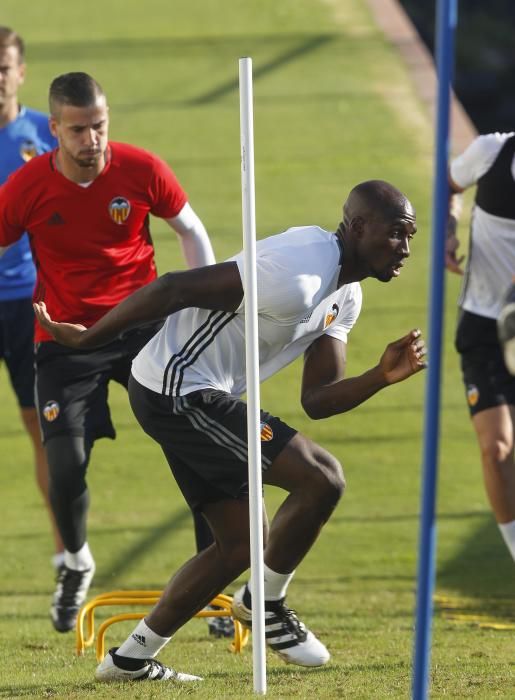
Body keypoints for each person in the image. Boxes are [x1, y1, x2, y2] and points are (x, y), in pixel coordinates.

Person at [34, 179, 427, 683]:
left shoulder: (345, 296)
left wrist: (378, 377)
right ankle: (265, 604)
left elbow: (318, 400)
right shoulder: (299, 270)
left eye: (410, 237)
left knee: (241, 547)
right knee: (322, 477)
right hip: (175, 388)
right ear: (358, 227)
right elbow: (174, 287)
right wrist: (90, 337)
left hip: (193, 391)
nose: (405, 249)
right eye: (396, 234)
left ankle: (130, 660)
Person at [0, 71, 220, 635]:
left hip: (144, 326)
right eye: (77, 130)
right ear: (54, 130)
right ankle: (75, 561)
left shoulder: (142, 169)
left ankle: (219, 580)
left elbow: (189, 230)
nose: (91, 140)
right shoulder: (26, 187)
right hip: (66, 337)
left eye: (98, 126)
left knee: (197, 450)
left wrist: (199, 308)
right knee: (65, 466)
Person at [0, 27, 64, 569]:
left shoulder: (48, 134)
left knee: (38, 426)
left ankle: (67, 555)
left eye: (3, 68)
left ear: (20, 73)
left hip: (27, 304)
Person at [446, 131, 515, 564]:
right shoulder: (490, 152)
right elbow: (450, 185)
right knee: (497, 447)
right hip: (485, 323)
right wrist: (449, 230)